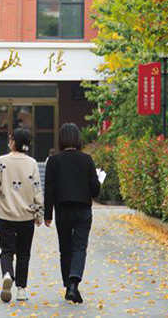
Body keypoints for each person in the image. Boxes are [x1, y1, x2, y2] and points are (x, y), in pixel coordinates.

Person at [0, 127, 43, 303]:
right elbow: (37, 190)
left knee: (6, 251)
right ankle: (21, 290)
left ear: (13, 142)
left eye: (11, 139)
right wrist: (39, 213)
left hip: (6, 215)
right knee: (24, 253)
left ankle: (7, 274)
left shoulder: (1, 161)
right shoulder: (32, 163)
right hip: (26, 216)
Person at [43, 123, 101, 304]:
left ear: (61, 139)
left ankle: (69, 285)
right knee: (80, 247)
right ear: (77, 138)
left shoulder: (54, 161)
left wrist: (47, 214)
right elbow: (95, 190)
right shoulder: (87, 159)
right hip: (83, 210)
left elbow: (49, 189)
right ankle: (74, 284)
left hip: (62, 210)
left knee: (65, 248)